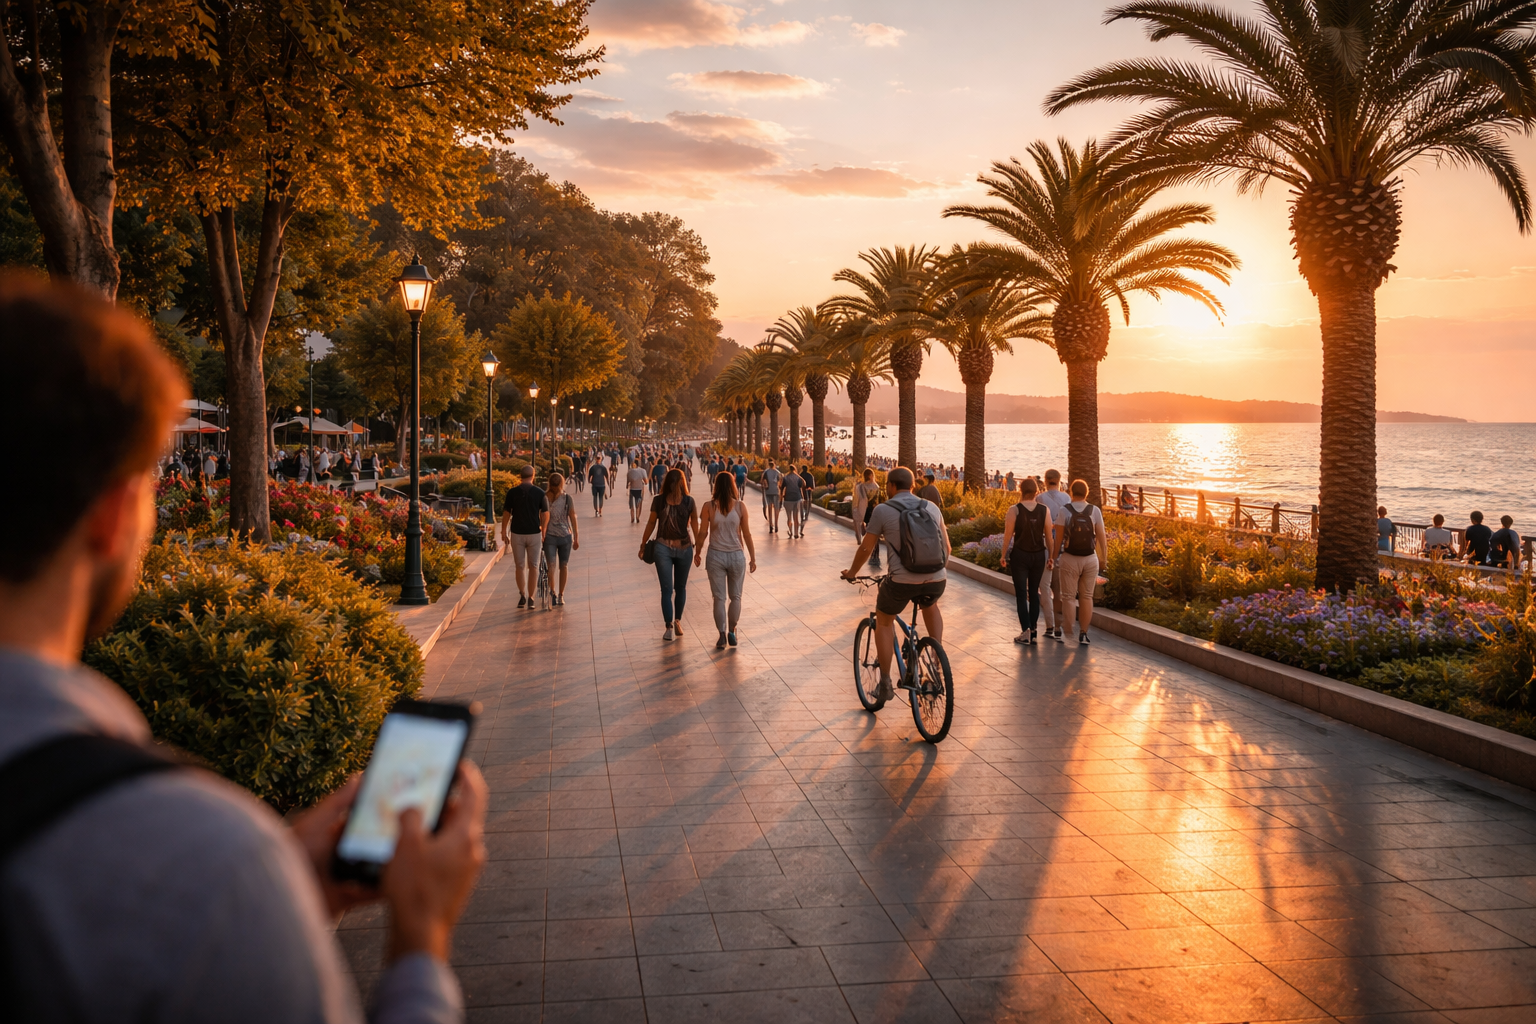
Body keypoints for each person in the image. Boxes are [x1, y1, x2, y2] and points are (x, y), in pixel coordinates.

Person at [0, 272, 487, 1022]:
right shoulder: (190, 856)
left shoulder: (220, 869)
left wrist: (281, 886)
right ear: (112, 514)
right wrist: (419, 943)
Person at [840, 467, 950, 700]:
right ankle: (937, 660)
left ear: (890, 486)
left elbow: (866, 548)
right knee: (930, 605)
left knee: (884, 620)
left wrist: (852, 573)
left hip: (901, 581)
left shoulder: (882, 510)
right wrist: (932, 573)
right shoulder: (932, 507)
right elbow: (947, 548)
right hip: (937, 578)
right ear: (913, 486)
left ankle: (886, 683)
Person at [696, 472, 757, 648]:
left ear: (715, 486)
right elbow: (747, 534)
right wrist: (752, 558)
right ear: (733, 485)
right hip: (736, 556)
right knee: (736, 597)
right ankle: (732, 631)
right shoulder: (740, 507)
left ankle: (722, 635)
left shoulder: (708, 507)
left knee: (719, 598)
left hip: (715, 556)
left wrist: (697, 552)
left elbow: (703, 532)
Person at [639, 468, 700, 642]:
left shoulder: (665, 501)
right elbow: (695, 526)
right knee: (678, 588)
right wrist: (698, 548)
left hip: (666, 548)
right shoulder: (687, 501)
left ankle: (671, 625)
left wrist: (643, 544)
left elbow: (651, 523)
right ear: (683, 482)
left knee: (669, 589)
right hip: (677, 548)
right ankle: (674, 623)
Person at [999, 476, 1056, 645]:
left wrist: (1003, 555)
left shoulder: (1014, 510)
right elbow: (1049, 538)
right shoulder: (1044, 510)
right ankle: (1034, 630)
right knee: (1034, 593)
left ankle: (1026, 631)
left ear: (1021, 490)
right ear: (1036, 492)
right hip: (1038, 556)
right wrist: (1051, 557)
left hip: (1020, 556)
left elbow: (1008, 536)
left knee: (1021, 594)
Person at [1053, 479, 1108, 645]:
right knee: (1087, 597)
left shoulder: (1064, 510)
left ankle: (1068, 630)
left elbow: (1058, 539)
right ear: (1087, 493)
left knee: (1069, 597)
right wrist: (1104, 559)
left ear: (1071, 492)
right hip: (1090, 559)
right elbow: (1101, 537)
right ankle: (1084, 633)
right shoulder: (1094, 510)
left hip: (1070, 558)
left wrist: (1053, 558)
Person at [500, 464, 549, 609]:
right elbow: (545, 513)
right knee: (534, 566)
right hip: (534, 533)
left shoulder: (512, 492)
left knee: (520, 565)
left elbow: (506, 513)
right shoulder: (540, 493)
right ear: (533, 476)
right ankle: (531, 598)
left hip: (517, 533)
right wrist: (543, 529)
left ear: (520, 476)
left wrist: (503, 531)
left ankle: (522, 594)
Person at [1036, 469, 1071, 641]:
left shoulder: (1040, 498)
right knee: (1059, 589)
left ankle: (1050, 624)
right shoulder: (1067, 498)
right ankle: (1059, 626)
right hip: (1063, 548)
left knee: (1045, 587)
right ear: (1059, 480)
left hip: (1046, 547)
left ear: (1045, 480)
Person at [542, 472, 579, 605]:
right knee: (563, 565)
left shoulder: (544, 498)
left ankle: (553, 592)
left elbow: (540, 517)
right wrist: (576, 537)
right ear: (562, 483)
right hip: (565, 536)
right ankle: (560, 595)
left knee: (551, 565)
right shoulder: (567, 498)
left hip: (549, 537)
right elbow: (573, 517)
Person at [853, 469, 883, 570]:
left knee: (870, 533)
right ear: (871, 476)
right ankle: (875, 555)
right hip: (875, 511)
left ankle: (871, 553)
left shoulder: (861, 487)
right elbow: (879, 500)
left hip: (866, 512)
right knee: (875, 533)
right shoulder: (876, 487)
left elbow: (858, 500)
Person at [780, 462, 806, 539]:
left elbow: (781, 488)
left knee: (789, 517)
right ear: (795, 470)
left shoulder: (785, 478)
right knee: (796, 517)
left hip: (787, 499)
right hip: (797, 499)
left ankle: (791, 532)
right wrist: (798, 475)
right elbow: (803, 484)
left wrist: (781, 499)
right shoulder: (798, 478)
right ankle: (796, 533)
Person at [761, 459, 783, 534]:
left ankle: (771, 525)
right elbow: (780, 482)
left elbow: (762, 481)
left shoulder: (766, 472)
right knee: (776, 508)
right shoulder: (777, 472)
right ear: (774, 465)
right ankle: (776, 524)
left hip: (768, 491)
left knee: (769, 508)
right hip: (776, 492)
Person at [625, 459, 648, 524]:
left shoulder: (629, 471)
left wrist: (627, 485)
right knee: (638, 504)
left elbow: (627, 482)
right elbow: (646, 482)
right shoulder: (643, 471)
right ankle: (637, 516)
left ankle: (632, 517)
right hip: (640, 489)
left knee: (631, 504)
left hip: (632, 489)